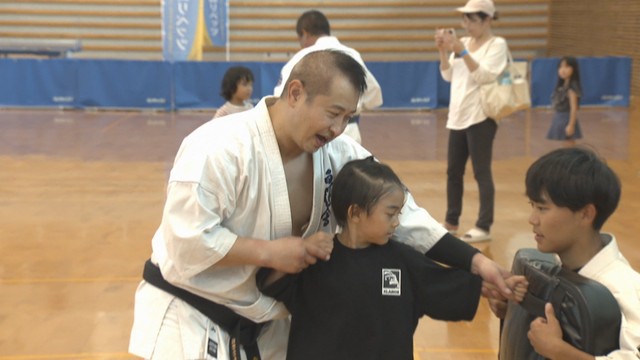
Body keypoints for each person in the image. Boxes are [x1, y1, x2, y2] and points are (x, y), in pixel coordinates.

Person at [129, 49, 514, 360]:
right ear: (295, 92)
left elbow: (404, 214)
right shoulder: (217, 147)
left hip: (266, 325)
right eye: (333, 113)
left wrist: (476, 262)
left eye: (348, 117)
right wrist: (269, 252)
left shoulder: (339, 151)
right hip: (192, 316)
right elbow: (186, 243)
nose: (338, 129)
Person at [256, 156, 527, 360]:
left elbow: (446, 285)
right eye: (391, 213)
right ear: (355, 213)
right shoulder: (317, 261)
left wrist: (497, 288)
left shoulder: (404, 261)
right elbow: (270, 281)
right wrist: (302, 248)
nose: (397, 222)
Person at [490, 147, 640, 359]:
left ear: (586, 214)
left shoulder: (623, 288)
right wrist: (514, 311)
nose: (532, 219)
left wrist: (560, 352)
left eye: (542, 208)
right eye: (532, 206)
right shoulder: (555, 272)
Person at [435, 0, 507, 242]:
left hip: (481, 117)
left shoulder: (497, 44)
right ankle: (451, 221)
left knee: (481, 172)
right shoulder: (463, 43)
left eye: (472, 20)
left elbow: (485, 76)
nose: (466, 25)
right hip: (458, 116)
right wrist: (443, 51)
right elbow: (447, 75)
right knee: (453, 172)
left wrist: (462, 52)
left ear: (487, 20)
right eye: (464, 20)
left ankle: (483, 225)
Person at [273, 9, 383, 144]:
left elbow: (281, 99)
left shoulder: (302, 57)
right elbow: (374, 95)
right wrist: (348, 112)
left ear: (305, 33)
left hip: (314, 133)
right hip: (350, 133)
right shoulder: (352, 55)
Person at [546, 56, 583, 144]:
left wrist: (571, 125)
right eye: (561, 67)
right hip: (559, 118)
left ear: (573, 69)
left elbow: (574, 108)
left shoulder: (572, 87)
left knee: (569, 146)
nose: (563, 70)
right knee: (564, 146)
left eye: (566, 67)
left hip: (566, 119)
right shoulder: (562, 86)